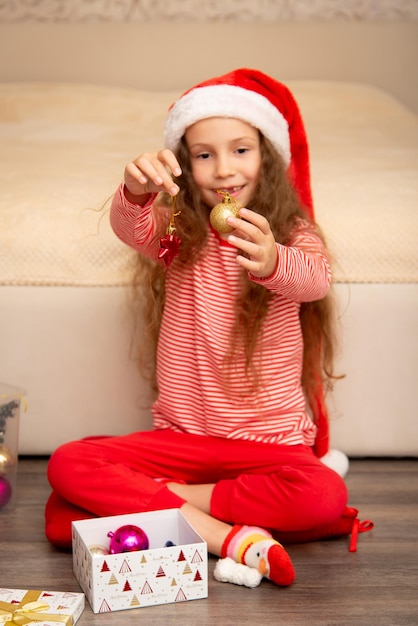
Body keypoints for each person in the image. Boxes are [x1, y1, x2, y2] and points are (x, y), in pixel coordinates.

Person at [45, 68, 350, 587]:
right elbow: (131, 227)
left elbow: (314, 280)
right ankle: (232, 538)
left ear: (268, 158)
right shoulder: (179, 234)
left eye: (241, 150)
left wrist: (273, 259)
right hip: (183, 442)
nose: (224, 170)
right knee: (68, 464)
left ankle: (169, 507)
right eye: (204, 154)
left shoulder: (290, 233)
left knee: (325, 496)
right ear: (184, 164)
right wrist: (136, 191)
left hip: (268, 446)